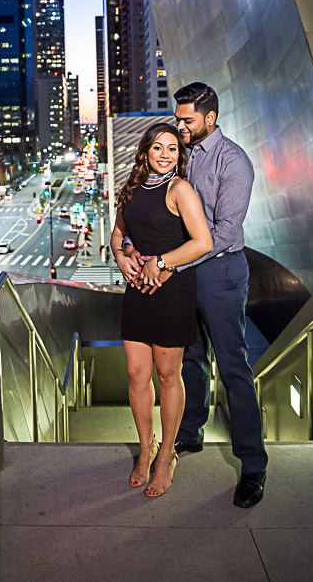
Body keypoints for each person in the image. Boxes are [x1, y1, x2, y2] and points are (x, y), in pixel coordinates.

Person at [123, 83, 268, 508]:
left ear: (210, 118)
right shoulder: (180, 158)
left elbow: (223, 233)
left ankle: (253, 464)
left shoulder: (233, 161)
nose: (180, 126)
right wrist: (135, 249)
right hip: (180, 276)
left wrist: (167, 264)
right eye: (178, 118)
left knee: (234, 366)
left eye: (187, 120)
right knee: (188, 360)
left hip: (219, 273)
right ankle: (188, 434)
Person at [110, 122, 212, 498]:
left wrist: (162, 264)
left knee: (168, 375)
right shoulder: (132, 189)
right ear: (145, 151)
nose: (165, 154)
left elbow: (203, 241)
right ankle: (146, 448)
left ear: (178, 154)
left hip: (171, 291)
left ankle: (167, 454)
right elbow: (118, 234)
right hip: (137, 289)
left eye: (172, 148)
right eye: (158, 147)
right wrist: (121, 257)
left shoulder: (179, 189)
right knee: (137, 374)